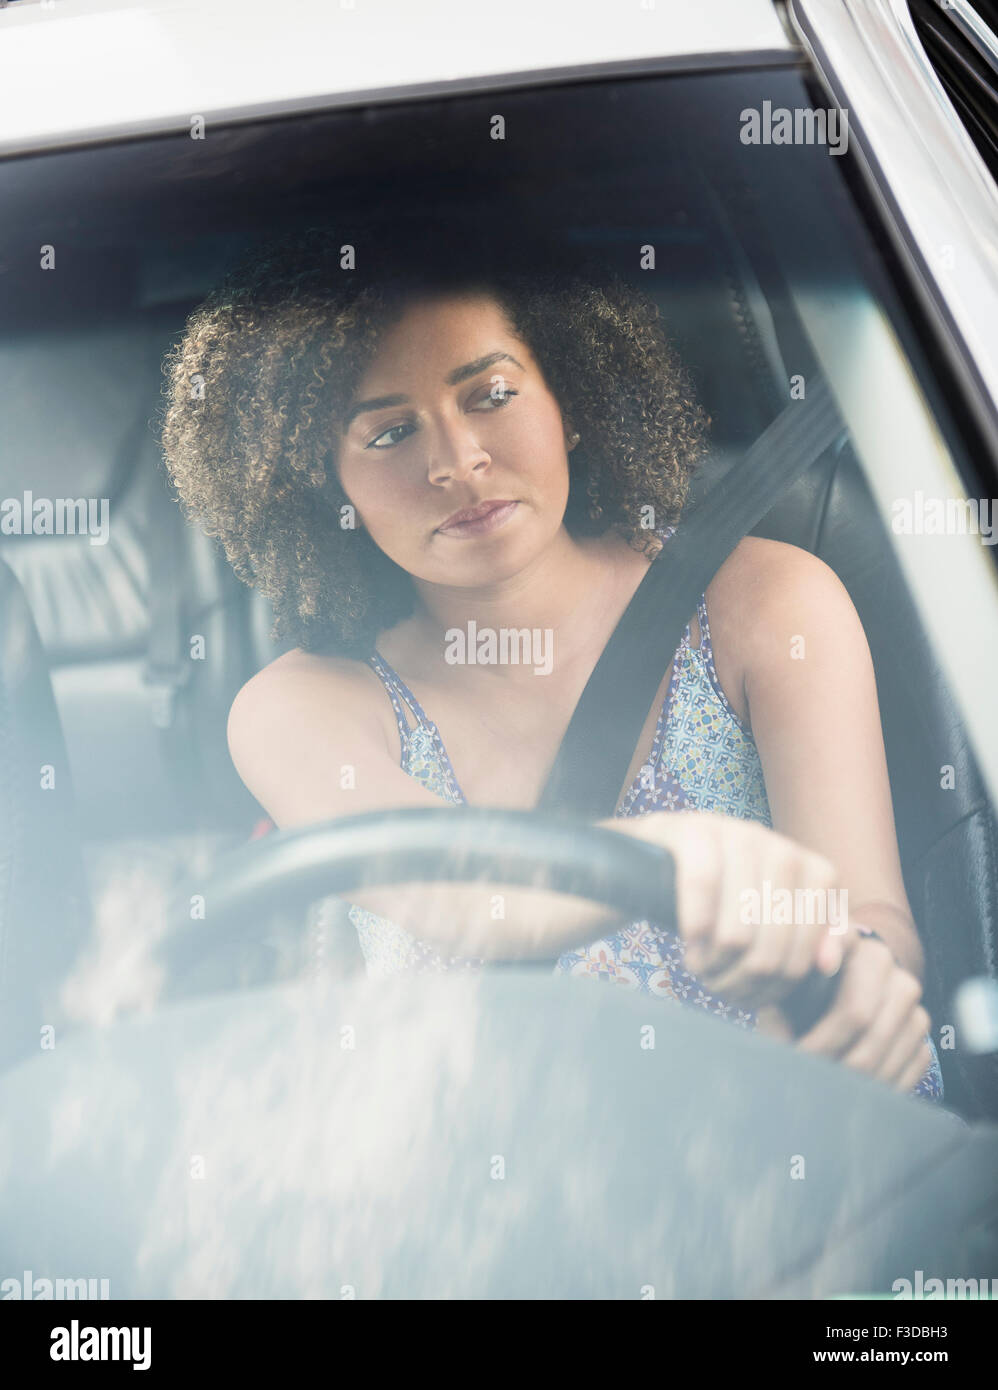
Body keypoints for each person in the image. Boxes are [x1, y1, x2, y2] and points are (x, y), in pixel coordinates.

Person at [161, 228, 942, 1100]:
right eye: (388, 435)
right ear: (322, 485)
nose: (457, 462)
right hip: (505, 1211)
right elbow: (457, 897)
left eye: (490, 393)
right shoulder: (299, 709)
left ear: (568, 396)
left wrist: (859, 978)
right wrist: (678, 858)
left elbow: (872, 915)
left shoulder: (767, 605)